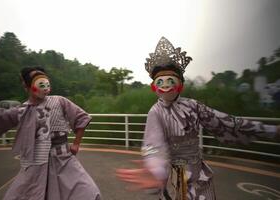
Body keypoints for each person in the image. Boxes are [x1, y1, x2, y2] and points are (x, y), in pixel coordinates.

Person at [116, 37, 280, 200]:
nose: (165, 85)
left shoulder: (193, 106)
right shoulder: (155, 112)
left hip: (198, 171)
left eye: (170, 80)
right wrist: (155, 170)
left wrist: (270, 130)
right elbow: (154, 145)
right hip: (176, 176)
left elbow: (227, 122)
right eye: (160, 81)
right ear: (154, 86)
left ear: (180, 84)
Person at [0, 65, 101, 200]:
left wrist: (76, 144)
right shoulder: (21, 111)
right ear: (26, 85)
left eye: (43, 77)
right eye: (36, 78)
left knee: (88, 193)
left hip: (65, 162)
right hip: (35, 167)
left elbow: (81, 118)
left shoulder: (60, 101)